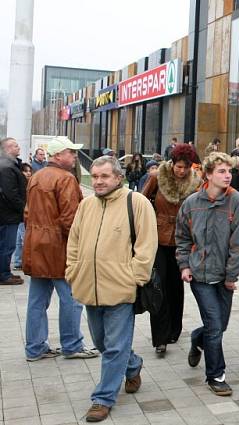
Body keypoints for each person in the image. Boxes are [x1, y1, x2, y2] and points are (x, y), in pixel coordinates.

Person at [65, 156, 158, 422]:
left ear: (118, 177)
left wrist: (133, 278)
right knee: (102, 343)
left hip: (120, 289)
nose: (98, 181)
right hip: (88, 287)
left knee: (115, 346)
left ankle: (102, 398)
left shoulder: (136, 202)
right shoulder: (87, 205)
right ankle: (133, 365)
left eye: (104, 176)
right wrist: (73, 270)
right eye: (94, 176)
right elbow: (74, 241)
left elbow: (146, 245)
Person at [176, 152, 239, 396]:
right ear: (207, 175)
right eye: (221, 171)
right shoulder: (191, 203)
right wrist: (184, 265)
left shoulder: (238, 201)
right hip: (200, 276)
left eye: (229, 171)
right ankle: (216, 376)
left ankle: (197, 339)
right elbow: (183, 238)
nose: (227, 175)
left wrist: (231, 277)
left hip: (224, 276)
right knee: (215, 325)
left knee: (219, 326)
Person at [23, 136, 99, 360]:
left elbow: (27, 214)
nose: (75, 156)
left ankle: (34, 348)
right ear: (58, 156)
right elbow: (70, 219)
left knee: (37, 301)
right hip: (58, 247)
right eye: (71, 152)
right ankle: (72, 345)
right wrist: (81, 245)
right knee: (72, 298)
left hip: (36, 244)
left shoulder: (36, 177)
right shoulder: (65, 179)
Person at [141, 144, 202, 355]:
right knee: (158, 287)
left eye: (186, 167)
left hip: (182, 241)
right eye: (178, 166)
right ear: (172, 163)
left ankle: (174, 330)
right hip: (157, 238)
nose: (182, 171)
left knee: (176, 287)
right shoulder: (158, 177)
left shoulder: (196, 182)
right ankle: (161, 338)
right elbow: (142, 201)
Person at [0, 137, 26, 285]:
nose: (18, 148)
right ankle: (4, 275)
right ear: (7, 149)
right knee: (6, 245)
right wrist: (23, 208)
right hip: (7, 215)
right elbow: (10, 193)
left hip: (8, 214)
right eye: (15, 146)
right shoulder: (6, 167)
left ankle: (5, 272)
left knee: (5, 244)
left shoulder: (10, 164)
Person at [12, 163, 32, 271]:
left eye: (29, 171)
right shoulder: (20, 184)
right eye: (25, 171)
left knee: (20, 239)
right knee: (23, 238)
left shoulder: (30, 182)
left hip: (25, 214)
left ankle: (18, 261)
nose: (28, 173)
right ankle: (22, 261)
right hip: (22, 214)